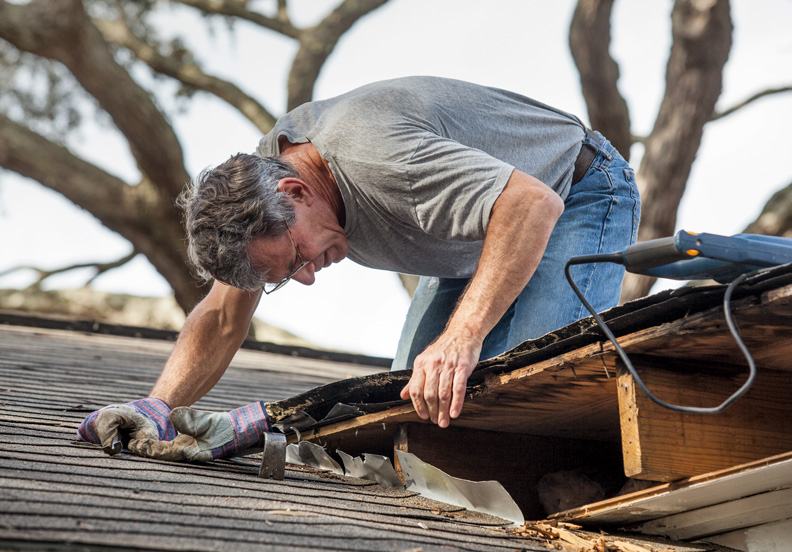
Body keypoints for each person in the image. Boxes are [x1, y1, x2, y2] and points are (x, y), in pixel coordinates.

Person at [77, 76, 640, 460]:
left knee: (537, 398)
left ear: (296, 191)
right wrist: (158, 407)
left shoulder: (378, 157)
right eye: (285, 277)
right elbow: (223, 318)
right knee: (413, 418)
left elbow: (529, 205)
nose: (307, 276)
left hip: (575, 191)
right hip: (472, 237)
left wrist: (462, 337)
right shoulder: (257, 195)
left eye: (296, 259)